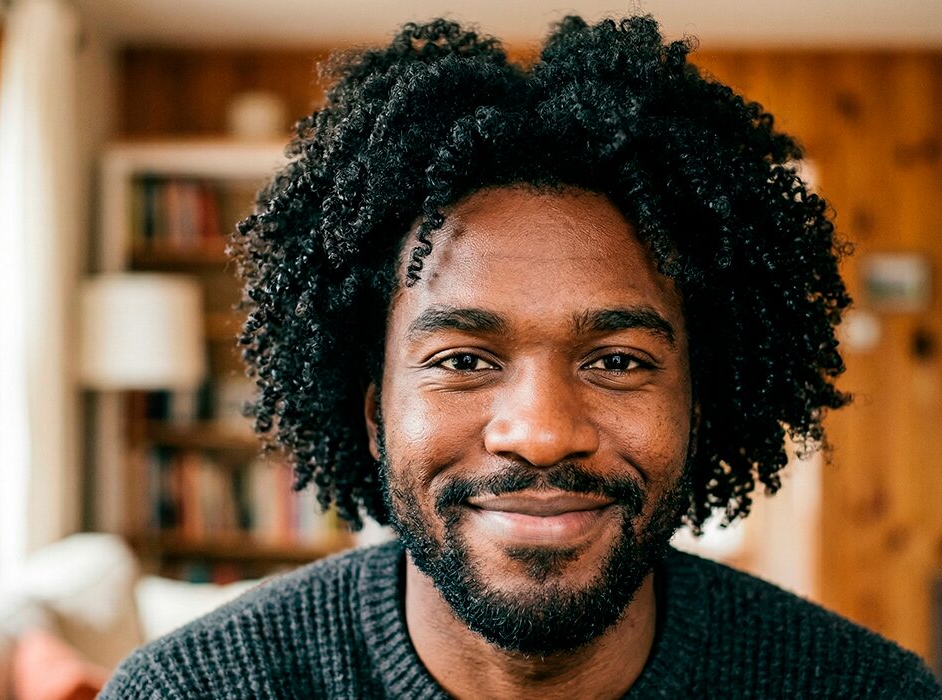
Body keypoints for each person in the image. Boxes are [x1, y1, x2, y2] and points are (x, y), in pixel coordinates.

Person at [102, 15, 941, 699]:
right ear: (372, 413)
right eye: (463, 360)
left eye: (617, 360)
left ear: (700, 405)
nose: (540, 434)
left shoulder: (865, 690)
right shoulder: (191, 691)